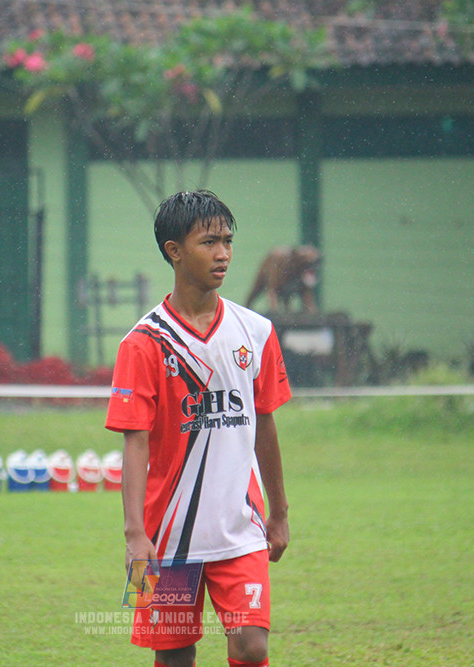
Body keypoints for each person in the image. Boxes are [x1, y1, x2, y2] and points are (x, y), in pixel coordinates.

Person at [105, 190, 292, 667]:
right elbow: (135, 443)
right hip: (164, 536)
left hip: (242, 529)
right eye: (210, 242)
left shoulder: (257, 331)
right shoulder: (142, 343)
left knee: (252, 646)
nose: (224, 253)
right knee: (172, 655)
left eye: (228, 240)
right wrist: (134, 536)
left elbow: (264, 425)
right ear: (174, 250)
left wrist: (280, 512)